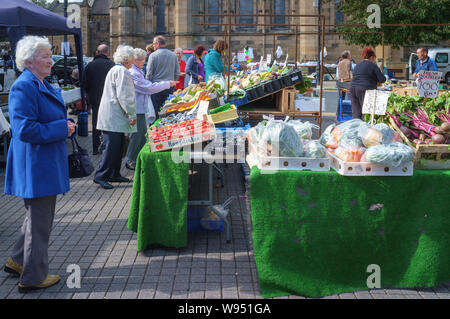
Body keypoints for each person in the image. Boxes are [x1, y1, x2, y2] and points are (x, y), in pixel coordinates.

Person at [3, 35, 76, 293]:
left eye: (50, 54)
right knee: (40, 222)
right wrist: (61, 127)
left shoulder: (35, 82)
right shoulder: (25, 86)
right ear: (29, 60)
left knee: (34, 218)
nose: (50, 60)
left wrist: (62, 126)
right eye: (45, 56)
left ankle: (17, 261)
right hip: (36, 166)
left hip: (40, 164)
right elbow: (24, 129)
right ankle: (33, 277)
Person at [125, 48, 177, 170]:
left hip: (140, 108)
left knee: (142, 134)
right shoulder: (133, 73)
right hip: (136, 108)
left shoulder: (138, 71)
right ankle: (130, 160)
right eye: (142, 60)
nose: (144, 62)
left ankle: (139, 158)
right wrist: (167, 84)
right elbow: (147, 88)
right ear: (135, 61)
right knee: (137, 136)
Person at [93, 45, 137, 190]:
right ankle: (101, 175)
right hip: (114, 116)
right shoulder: (122, 71)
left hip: (114, 115)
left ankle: (114, 173)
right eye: (132, 58)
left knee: (117, 147)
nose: (133, 61)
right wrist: (131, 113)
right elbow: (124, 95)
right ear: (126, 59)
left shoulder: (117, 69)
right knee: (111, 147)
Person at [82, 44, 115, 155]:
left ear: (97, 53)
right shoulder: (111, 65)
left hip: (95, 99)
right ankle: (107, 147)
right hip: (109, 99)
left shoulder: (89, 66)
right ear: (107, 53)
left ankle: (96, 148)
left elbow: (84, 84)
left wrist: (89, 96)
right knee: (108, 124)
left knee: (96, 123)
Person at [145, 36, 180, 117]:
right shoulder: (173, 55)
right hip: (169, 87)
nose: (153, 46)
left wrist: (148, 86)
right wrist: (173, 82)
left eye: (154, 44)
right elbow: (177, 73)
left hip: (156, 87)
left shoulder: (153, 55)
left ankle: (155, 128)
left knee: (156, 112)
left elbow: (149, 73)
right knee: (168, 112)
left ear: (157, 44)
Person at [350, 47, 386, 119]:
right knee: (366, 113)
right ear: (372, 57)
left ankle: (356, 128)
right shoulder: (372, 65)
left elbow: (356, 75)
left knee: (356, 113)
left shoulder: (357, 65)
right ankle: (365, 129)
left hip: (353, 88)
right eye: (374, 58)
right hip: (365, 89)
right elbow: (382, 79)